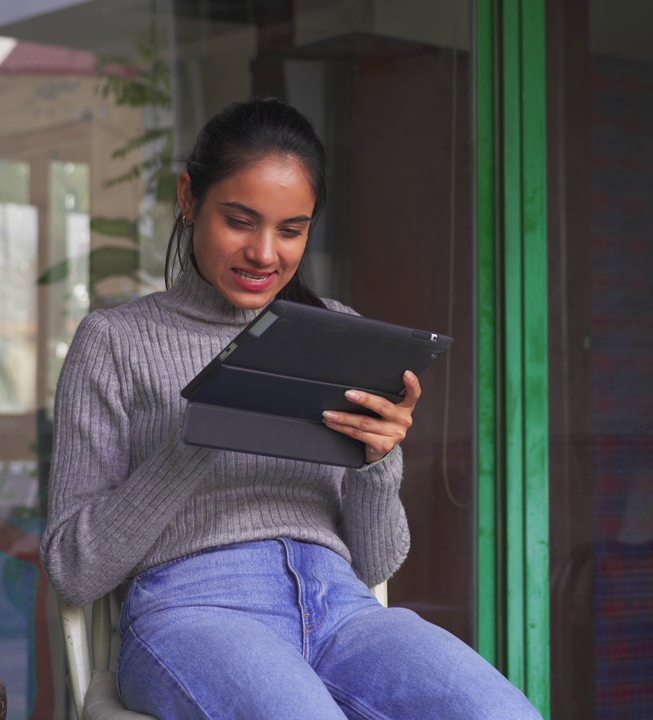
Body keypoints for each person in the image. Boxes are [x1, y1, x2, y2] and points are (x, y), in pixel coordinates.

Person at [40, 97, 541, 720]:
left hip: (342, 610)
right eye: (240, 220)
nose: (265, 253)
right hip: (196, 610)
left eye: (291, 229)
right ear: (189, 198)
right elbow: (72, 569)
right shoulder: (114, 341)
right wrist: (206, 428)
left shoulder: (336, 334)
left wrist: (378, 460)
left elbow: (378, 564)